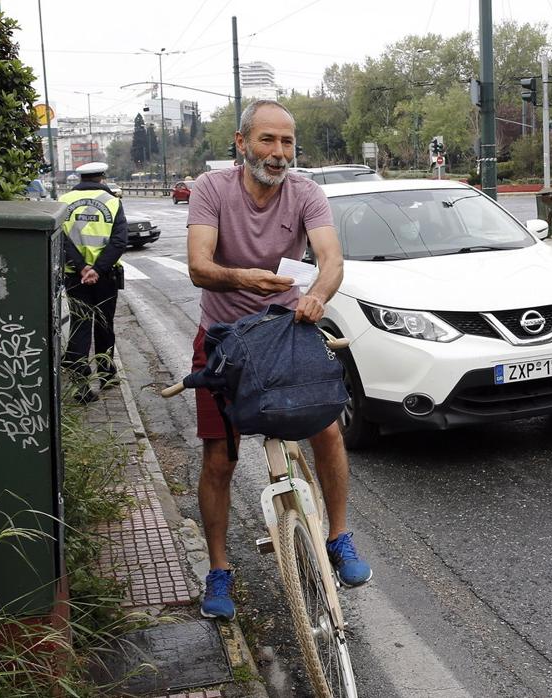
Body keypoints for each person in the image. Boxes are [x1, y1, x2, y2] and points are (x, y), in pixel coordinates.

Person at [186, 99, 371, 621]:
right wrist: (244, 277)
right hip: (223, 335)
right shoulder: (211, 190)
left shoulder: (306, 193)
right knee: (220, 458)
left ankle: (338, 537)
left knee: (328, 431)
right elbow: (199, 266)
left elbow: (331, 259)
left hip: (287, 328)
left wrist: (317, 295)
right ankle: (218, 569)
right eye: (267, 140)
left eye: (287, 141)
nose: (278, 152)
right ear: (241, 143)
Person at [61, 161, 127, 404]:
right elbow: (119, 241)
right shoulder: (112, 201)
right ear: (101, 177)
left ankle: (81, 386)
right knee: (104, 324)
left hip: (75, 277)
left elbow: (61, 241)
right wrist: (97, 269)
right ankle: (107, 376)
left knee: (79, 327)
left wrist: (82, 268)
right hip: (105, 277)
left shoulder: (63, 201)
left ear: (80, 177)